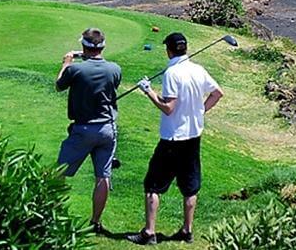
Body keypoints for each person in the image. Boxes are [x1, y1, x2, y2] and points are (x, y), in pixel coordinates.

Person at [127, 33, 225, 245]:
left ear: (169, 50)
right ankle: (187, 231)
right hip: (193, 136)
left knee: (153, 185)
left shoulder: (171, 73)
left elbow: (168, 108)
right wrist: (200, 112)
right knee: (190, 186)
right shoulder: (198, 69)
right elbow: (217, 93)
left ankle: (149, 233)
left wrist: (148, 91)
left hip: (173, 139)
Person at [55, 28, 122, 234]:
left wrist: (66, 63)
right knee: (103, 176)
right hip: (107, 129)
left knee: (59, 172)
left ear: (83, 46)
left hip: (83, 129)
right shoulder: (115, 69)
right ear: (103, 46)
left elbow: (59, 85)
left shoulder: (75, 70)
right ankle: (95, 222)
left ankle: (53, 214)